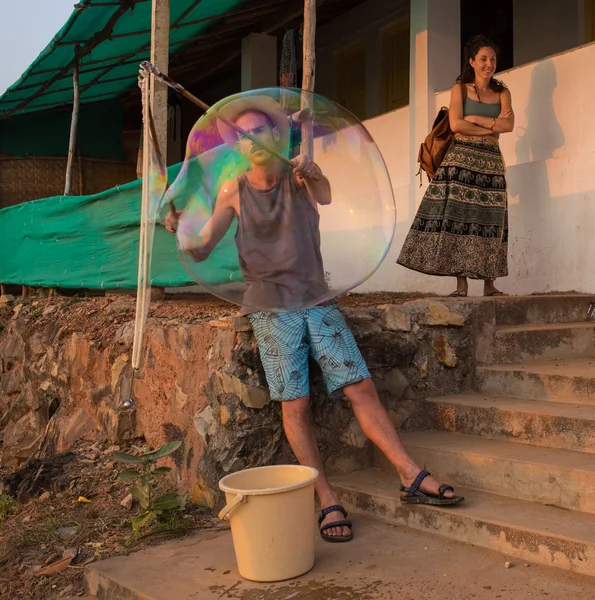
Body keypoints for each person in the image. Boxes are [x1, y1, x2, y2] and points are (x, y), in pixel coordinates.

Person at [165, 94, 464, 544]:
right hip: (268, 307)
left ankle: (408, 474)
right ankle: (327, 498)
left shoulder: (299, 175)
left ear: (275, 135)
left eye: (261, 131)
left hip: (316, 300)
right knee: (296, 404)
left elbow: (324, 195)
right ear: (240, 148)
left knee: (359, 386)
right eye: (244, 136)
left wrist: (315, 173)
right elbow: (203, 246)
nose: (254, 140)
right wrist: (181, 227)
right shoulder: (234, 191)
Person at [398, 35, 514, 297]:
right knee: (457, 220)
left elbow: (509, 126)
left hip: (491, 161)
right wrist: (491, 122)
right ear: (472, 61)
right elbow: (456, 125)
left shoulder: (502, 92)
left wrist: (474, 117)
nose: (489, 63)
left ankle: (489, 285)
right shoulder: (459, 89)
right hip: (460, 160)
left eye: (492, 59)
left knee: (491, 221)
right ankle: (461, 286)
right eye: (483, 59)